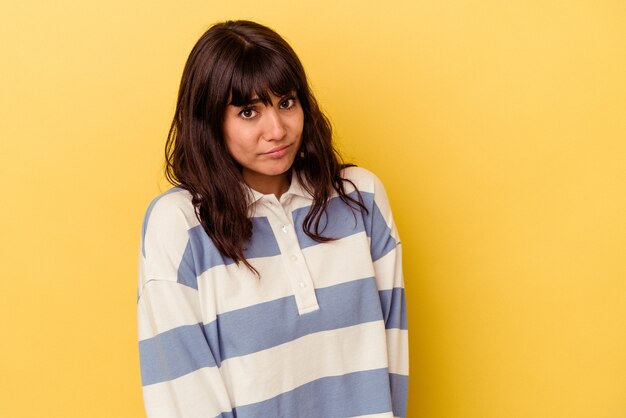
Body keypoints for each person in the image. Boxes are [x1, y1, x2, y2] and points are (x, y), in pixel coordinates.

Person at [137, 20, 408, 418]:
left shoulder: (360, 199)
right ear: (210, 121)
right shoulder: (180, 225)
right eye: (249, 111)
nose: (277, 130)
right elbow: (182, 392)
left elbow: (393, 358)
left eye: (286, 102)